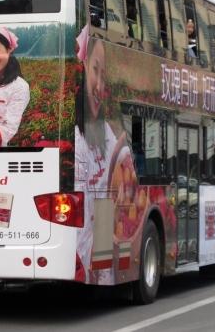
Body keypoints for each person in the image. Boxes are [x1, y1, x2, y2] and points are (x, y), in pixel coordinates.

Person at [74, 23, 132, 284]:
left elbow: (120, 159)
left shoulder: (102, 129)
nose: (99, 86)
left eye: (104, 75)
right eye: (95, 71)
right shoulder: (75, 137)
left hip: (101, 252)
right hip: (86, 258)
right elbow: (83, 224)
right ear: (83, 68)